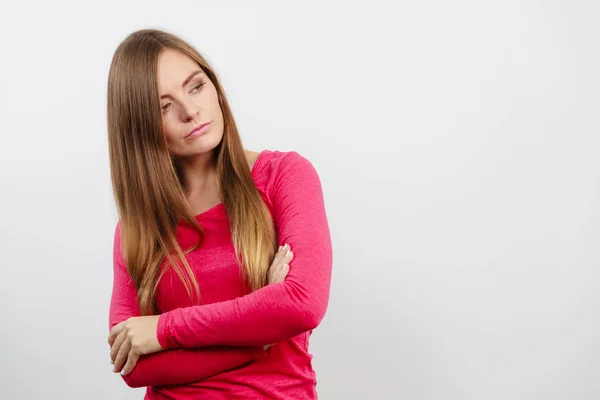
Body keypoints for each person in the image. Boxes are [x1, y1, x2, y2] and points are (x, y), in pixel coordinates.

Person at [105, 28, 333, 399]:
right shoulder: (138, 226)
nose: (190, 111)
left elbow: (302, 304)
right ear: (139, 126)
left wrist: (164, 330)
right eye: (164, 106)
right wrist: (261, 331)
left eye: (195, 86)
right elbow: (134, 366)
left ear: (213, 84)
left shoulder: (284, 177)